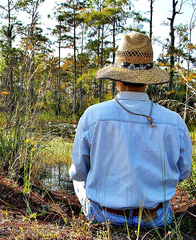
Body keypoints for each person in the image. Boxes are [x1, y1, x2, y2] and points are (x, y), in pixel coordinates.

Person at [69, 32, 192, 228]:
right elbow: (184, 172)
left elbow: (79, 172)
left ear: (117, 79)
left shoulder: (93, 116)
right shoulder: (174, 121)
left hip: (106, 216)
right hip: (156, 217)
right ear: (148, 80)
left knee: (76, 177)